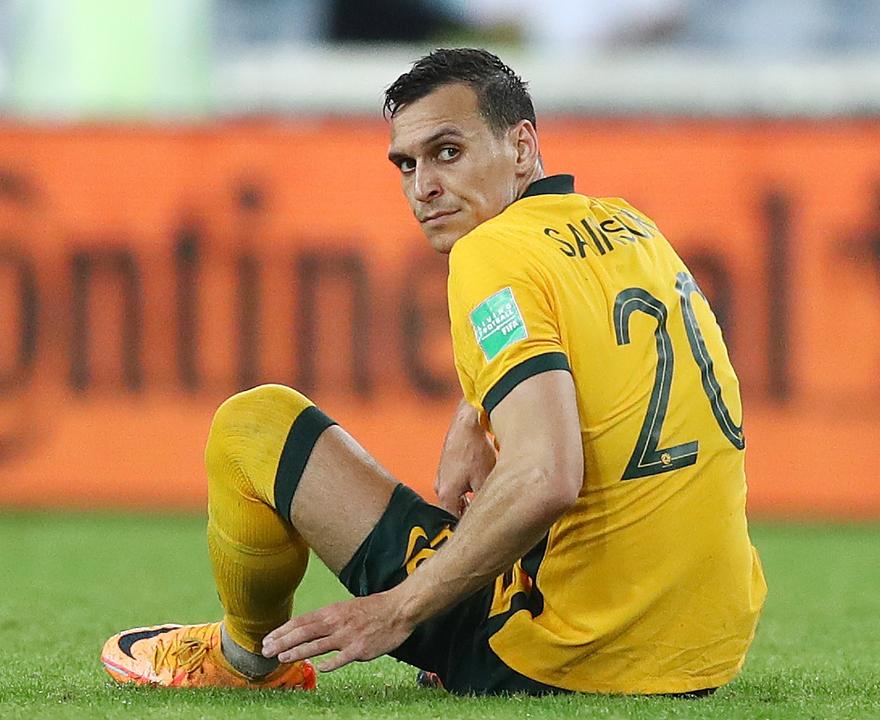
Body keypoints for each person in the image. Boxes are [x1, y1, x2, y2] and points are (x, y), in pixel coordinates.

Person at [99, 48, 766, 695]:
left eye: (448, 152)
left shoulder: (489, 253)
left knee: (253, 427)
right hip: (709, 646)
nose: (424, 187)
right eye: (406, 164)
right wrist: (475, 408)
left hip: (572, 654)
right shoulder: (631, 226)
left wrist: (398, 611)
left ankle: (246, 656)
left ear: (523, 147)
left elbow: (547, 476)